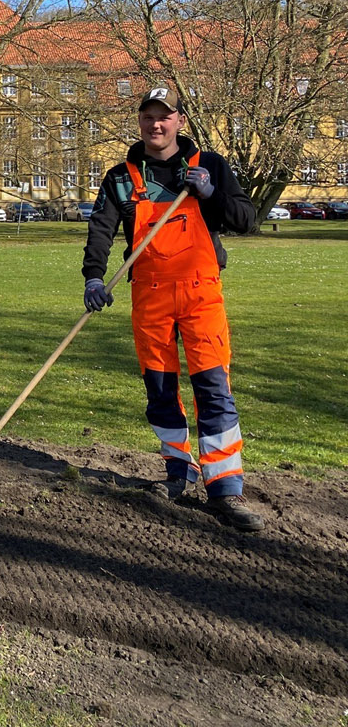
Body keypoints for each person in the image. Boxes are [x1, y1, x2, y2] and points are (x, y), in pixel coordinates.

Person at [82, 86, 263, 532]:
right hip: (151, 297)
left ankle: (225, 487)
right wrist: (93, 277)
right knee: (160, 390)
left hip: (202, 296)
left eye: (164, 116)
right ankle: (177, 474)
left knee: (213, 389)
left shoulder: (209, 165)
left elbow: (246, 220)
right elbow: (101, 229)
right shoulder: (120, 177)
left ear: (180, 121)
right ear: (140, 122)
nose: (156, 124)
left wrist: (210, 193)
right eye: (148, 116)